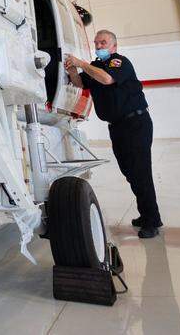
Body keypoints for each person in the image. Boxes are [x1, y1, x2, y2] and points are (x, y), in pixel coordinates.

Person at [65, 30, 162, 238]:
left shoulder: (119, 63)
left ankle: (152, 220)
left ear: (114, 46)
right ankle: (146, 214)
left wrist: (81, 64)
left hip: (135, 123)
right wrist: (73, 70)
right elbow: (80, 83)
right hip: (117, 126)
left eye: (104, 42)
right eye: (97, 42)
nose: (99, 45)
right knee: (129, 171)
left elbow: (107, 79)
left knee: (140, 172)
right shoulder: (95, 67)